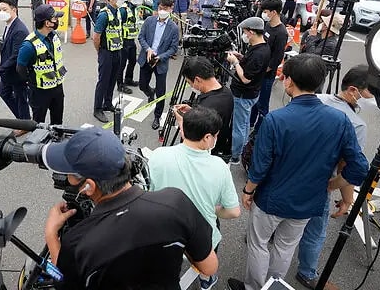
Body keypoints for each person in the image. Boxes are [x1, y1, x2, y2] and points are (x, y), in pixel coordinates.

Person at [226, 54, 369, 290]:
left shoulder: (276, 119)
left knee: (259, 244)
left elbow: (260, 166)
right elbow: (360, 167)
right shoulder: (341, 120)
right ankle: (273, 286)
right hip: (309, 201)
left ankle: (253, 287)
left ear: (289, 81)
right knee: (285, 246)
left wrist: (248, 190)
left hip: (272, 198)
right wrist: (333, 185)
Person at [42, 126, 219, 289]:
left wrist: (51, 235)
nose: (66, 178)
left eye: (70, 175)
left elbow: (65, 284)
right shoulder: (176, 203)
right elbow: (209, 267)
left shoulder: (78, 241)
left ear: (90, 186)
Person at [296, 65, 373, 290]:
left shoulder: (315, 98)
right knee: (316, 230)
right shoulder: (356, 124)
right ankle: (307, 272)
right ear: (353, 90)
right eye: (371, 94)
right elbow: (346, 167)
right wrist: (344, 196)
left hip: (287, 171)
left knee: (281, 219)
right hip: (317, 182)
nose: (373, 100)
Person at [150, 106, 240, 290]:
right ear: (208, 137)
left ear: (182, 129)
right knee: (206, 265)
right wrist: (215, 209)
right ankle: (206, 281)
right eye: (215, 135)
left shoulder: (159, 155)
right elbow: (233, 211)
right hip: (202, 236)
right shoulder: (219, 167)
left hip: (165, 231)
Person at [226, 17, 270, 164]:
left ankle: (235, 155)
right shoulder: (262, 47)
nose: (244, 35)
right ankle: (243, 147)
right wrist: (242, 57)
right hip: (252, 93)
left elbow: (245, 78)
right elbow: (252, 65)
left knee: (239, 126)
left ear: (251, 32)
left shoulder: (259, 53)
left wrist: (235, 62)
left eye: (245, 32)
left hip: (243, 94)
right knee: (244, 123)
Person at [16, 4, 66, 124]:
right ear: (47, 23)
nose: (57, 21)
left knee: (58, 123)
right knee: (38, 125)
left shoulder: (53, 36)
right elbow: (20, 68)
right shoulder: (28, 45)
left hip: (57, 87)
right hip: (39, 91)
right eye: (54, 18)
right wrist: (31, 82)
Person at [176, 56, 234, 158]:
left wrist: (181, 121)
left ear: (197, 80)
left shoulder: (207, 106)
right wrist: (193, 111)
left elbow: (192, 141)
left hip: (205, 154)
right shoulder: (226, 92)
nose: (191, 86)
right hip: (221, 146)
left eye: (189, 83)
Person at [0, 0, 31, 127]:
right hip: (8, 71)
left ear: (14, 9)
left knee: (20, 98)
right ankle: (22, 119)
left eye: (4, 9)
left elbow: (16, 56)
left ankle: (24, 123)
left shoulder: (20, 29)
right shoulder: (9, 25)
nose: (1, 12)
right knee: (4, 93)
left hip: (16, 72)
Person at [138, 0, 179, 130]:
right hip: (147, 57)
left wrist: (160, 57)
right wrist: (148, 49)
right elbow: (141, 37)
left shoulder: (173, 28)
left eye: (165, 9)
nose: (162, 11)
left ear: (170, 9)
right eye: (160, 8)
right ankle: (150, 93)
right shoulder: (149, 21)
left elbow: (173, 48)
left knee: (161, 92)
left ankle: (157, 116)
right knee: (142, 85)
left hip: (161, 62)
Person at [250, 0, 288, 130]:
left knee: (262, 104)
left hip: (266, 75)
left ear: (274, 12)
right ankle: (251, 122)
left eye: (266, 11)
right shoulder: (267, 26)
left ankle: (260, 129)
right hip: (259, 71)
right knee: (254, 100)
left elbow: (277, 58)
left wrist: (263, 70)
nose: (264, 14)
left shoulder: (281, 32)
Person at [92, 0, 127, 123]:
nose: (121, 1)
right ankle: (97, 109)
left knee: (112, 79)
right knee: (103, 81)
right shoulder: (104, 15)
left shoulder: (118, 12)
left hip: (117, 51)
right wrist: (100, 51)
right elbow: (96, 37)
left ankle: (107, 103)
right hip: (106, 52)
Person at [116, 0, 139, 94]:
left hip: (131, 40)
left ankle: (128, 79)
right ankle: (120, 85)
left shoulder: (134, 8)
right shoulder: (123, 10)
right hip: (124, 41)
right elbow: (118, 25)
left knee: (133, 61)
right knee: (122, 64)